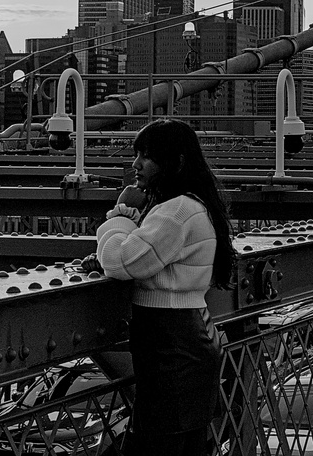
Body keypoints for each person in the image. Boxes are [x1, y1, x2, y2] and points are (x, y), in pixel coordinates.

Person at [96, 119, 234, 456]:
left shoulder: (176, 211)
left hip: (172, 346)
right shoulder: (189, 205)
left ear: (176, 162)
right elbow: (150, 258)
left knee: (157, 444)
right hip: (187, 340)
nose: (136, 164)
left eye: (147, 156)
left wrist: (118, 215)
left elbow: (120, 260)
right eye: (137, 154)